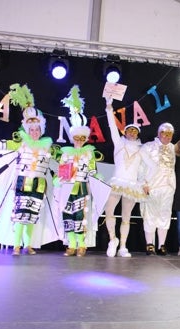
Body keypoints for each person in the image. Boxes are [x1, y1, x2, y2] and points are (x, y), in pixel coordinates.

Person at [0, 84, 54, 256]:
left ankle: (27, 245)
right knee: (20, 214)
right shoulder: (21, 143)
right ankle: (16, 245)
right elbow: (1, 143)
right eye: (32, 129)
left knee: (31, 215)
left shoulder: (47, 147)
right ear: (27, 130)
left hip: (38, 184)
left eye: (37, 129)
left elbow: (59, 165)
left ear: (41, 130)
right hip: (23, 182)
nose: (35, 132)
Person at [53, 85, 109, 257]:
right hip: (67, 188)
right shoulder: (66, 153)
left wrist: (97, 178)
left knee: (81, 216)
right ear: (72, 137)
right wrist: (58, 179)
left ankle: (82, 244)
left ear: (85, 139)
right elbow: (61, 172)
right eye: (76, 138)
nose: (78, 141)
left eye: (82, 138)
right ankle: (70, 244)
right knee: (67, 215)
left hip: (82, 188)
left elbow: (92, 171)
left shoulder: (89, 153)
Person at [103, 97, 146, 257]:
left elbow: (143, 169)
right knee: (109, 210)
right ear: (125, 132)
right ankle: (112, 240)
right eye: (129, 130)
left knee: (126, 217)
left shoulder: (142, 149)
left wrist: (144, 183)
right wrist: (109, 106)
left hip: (132, 185)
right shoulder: (119, 143)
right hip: (117, 183)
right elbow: (112, 126)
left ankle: (123, 246)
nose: (132, 133)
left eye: (135, 131)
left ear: (138, 134)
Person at [140, 122, 176, 256]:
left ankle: (162, 245)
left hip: (168, 187)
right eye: (163, 133)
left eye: (169, 134)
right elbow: (142, 166)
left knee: (165, 215)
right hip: (152, 186)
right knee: (150, 215)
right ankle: (149, 244)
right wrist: (143, 183)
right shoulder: (149, 147)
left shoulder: (174, 148)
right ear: (158, 133)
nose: (166, 136)